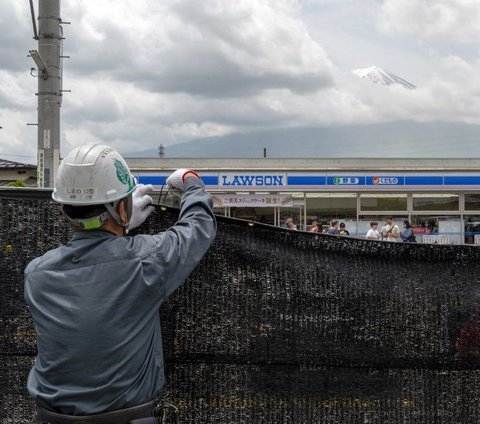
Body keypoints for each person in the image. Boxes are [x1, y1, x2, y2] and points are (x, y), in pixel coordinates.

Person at [24, 144, 217, 423]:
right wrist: (190, 180)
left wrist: (120, 228)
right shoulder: (146, 261)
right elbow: (198, 226)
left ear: (65, 208)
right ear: (121, 208)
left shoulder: (36, 274)